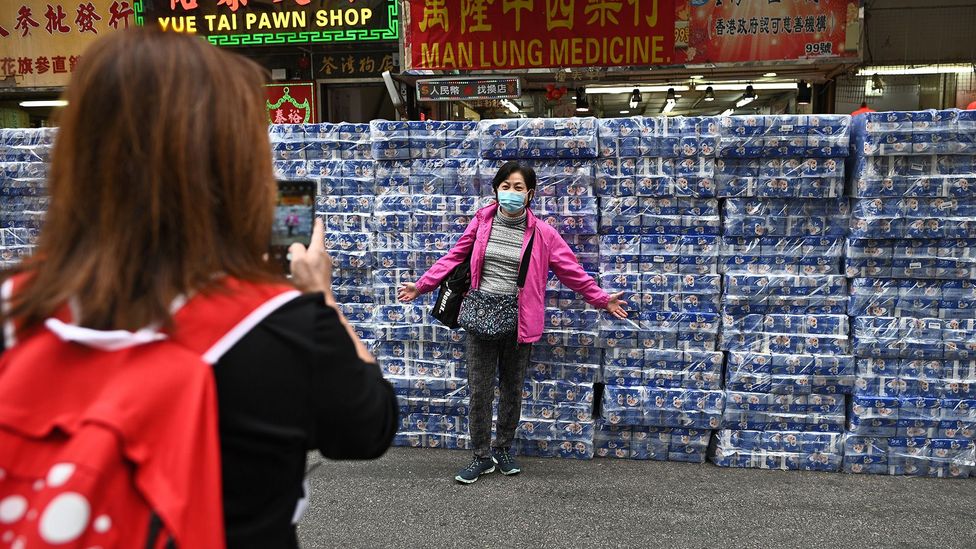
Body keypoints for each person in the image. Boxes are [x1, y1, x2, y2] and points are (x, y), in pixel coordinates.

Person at [0, 28, 397, 548]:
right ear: (232, 166)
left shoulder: (17, 308)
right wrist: (317, 294)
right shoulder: (280, 329)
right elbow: (368, 427)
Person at [397, 161, 628, 484]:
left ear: (530, 194)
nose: (510, 193)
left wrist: (602, 299)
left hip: (519, 321)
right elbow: (453, 257)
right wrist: (422, 285)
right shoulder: (481, 222)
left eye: (518, 188)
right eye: (505, 187)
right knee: (479, 390)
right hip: (480, 315)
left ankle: (503, 448)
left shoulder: (544, 234)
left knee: (511, 389)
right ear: (496, 190)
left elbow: (571, 271)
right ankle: (480, 456)